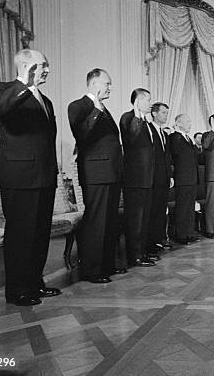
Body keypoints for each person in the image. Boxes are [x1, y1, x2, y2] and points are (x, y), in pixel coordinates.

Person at [0, 49, 61, 306]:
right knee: (20, 235)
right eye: (43, 65)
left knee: (39, 233)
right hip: (19, 176)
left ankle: (35, 283)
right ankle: (16, 290)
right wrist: (23, 85)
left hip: (44, 177)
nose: (47, 69)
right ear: (27, 66)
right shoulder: (3, 88)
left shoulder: (46, 100)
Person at [68, 68, 123, 283]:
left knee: (109, 222)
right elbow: (81, 135)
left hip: (111, 173)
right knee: (97, 222)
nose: (110, 87)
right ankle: (91, 270)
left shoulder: (104, 108)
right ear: (94, 83)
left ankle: (107, 266)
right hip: (95, 173)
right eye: (107, 83)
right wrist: (97, 110)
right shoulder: (78, 105)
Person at [119, 88, 157, 268]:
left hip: (147, 178)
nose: (150, 103)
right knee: (135, 218)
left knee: (145, 218)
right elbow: (131, 138)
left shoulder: (147, 123)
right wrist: (136, 112)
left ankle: (143, 252)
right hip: (134, 179)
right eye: (147, 100)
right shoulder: (128, 118)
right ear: (137, 101)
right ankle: (134, 256)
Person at [169, 114, 200, 244]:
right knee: (182, 207)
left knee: (189, 207)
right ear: (178, 123)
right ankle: (181, 235)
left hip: (191, 178)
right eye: (187, 121)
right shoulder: (174, 138)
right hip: (182, 178)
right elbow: (172, 158)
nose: (190, 124)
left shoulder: (188, 138)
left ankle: (189, 233)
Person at [149, 103, 174, 253]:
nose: (166, 115)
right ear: (154, 113)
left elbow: (167, 157)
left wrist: (170, 175)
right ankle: (151, 242)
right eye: (163, 112)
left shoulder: (164, 134)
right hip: (153, 178)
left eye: (166, 113)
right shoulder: (149, 130)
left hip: (164, 178)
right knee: (153, 211)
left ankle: (158, 240)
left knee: (160, 211)